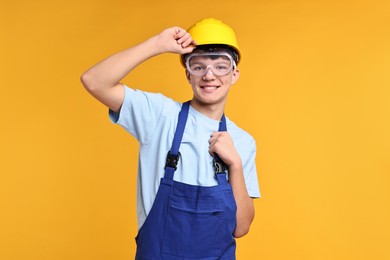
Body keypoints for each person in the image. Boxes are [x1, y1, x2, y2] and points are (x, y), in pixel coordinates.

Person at [81, 17, 260, 259]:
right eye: (198, 66)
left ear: (234, 74)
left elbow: (241, 228)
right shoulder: (161, 116)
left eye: (220, 66)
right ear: (188, 74)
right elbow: (94, 81)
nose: (209, 75)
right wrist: (157, 44)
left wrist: (235, 165)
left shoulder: (242, 141)